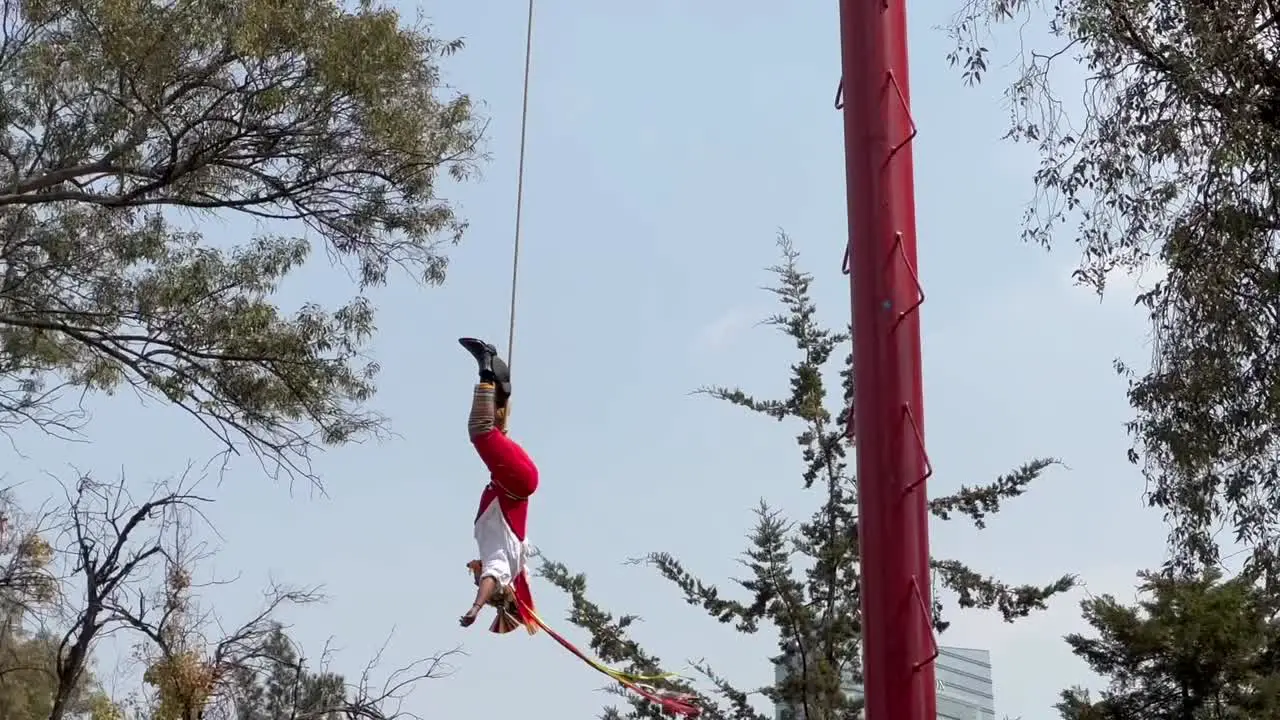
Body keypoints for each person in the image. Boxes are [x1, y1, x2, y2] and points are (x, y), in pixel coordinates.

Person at [457, 337, 539, 634]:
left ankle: (500, 389)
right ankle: (487, 366)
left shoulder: (508, 561)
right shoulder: (502, 565)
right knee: (480, 432)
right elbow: (492, 578)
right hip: (516, 481)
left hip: (514, 480)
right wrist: (478, 605)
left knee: (494, 432)